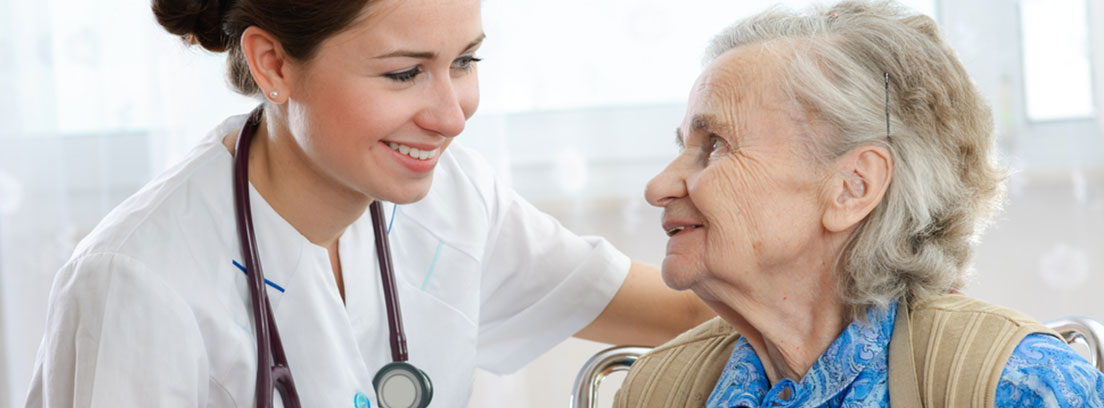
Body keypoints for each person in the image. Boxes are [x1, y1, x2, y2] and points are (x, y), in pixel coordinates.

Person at [23, 0, 714, 406]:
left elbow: (691, 310)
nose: (452, 115)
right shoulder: (138, 281)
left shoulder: (451, 200)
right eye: (405, 72)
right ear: (272, 64)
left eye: (465, 63)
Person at [614, 1, 1104, 407]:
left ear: (853, 187)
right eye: (683, 147)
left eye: (716, 143)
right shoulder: (656, 389)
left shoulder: (1017, 385)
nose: (659, 187)